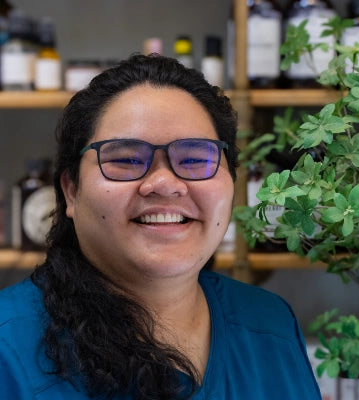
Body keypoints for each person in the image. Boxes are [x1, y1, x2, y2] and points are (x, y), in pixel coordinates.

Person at [0, 54, 321, 400]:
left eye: (196, 159)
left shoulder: (271, 324)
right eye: (125, 159)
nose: (166, 184)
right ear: (71, 191)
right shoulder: (8, 352)